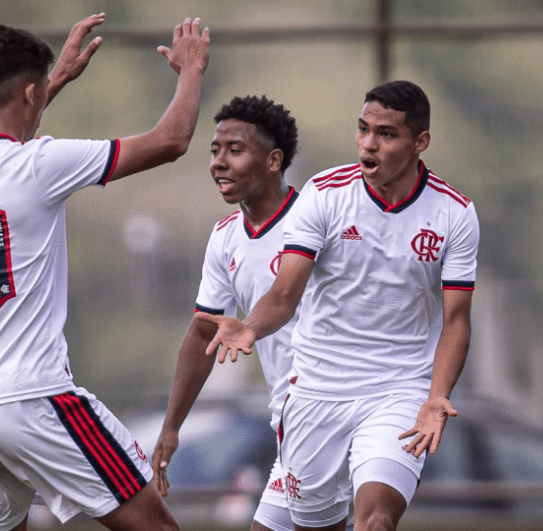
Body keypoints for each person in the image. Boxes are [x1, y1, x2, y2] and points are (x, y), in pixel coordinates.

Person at [0, 14, 208, 531]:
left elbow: (9, 125)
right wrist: (191, 71)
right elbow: (171, 140)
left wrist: (50, 85)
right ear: (30, 94)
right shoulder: (41, 164)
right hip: (35, 400)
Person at [198, 80, 479, 531]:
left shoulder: (454, 214)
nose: (368, 143)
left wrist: (436, 395)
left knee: (375, 521)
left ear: (420, 143)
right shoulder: (325, 194)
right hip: (315, 392)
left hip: (398, 390)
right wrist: (251, 327)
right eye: (363, 129)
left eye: (386, 134)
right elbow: (284, 294)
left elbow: (456, 320)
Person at [150, 95, 316, 531]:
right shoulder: (225, 238)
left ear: (274, 160)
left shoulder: (316, 219)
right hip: (290, 424)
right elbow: (203, 334)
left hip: (334, 411)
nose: (218, 163)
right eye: (215, 150)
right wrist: (171, 427)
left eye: (235, 150)